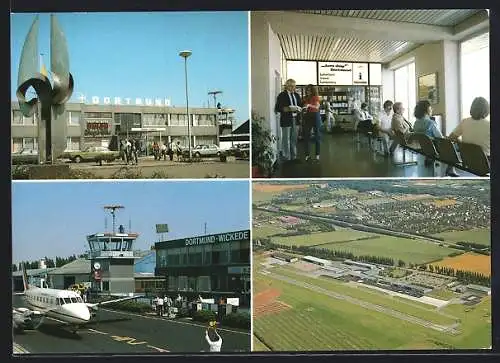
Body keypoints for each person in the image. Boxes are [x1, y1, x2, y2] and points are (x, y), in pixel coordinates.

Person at [413, 100, 458, 176]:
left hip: (424, 147)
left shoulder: (416, 123)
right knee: (453, 146)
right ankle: (451, 169)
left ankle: (431, 158)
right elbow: (440, 138)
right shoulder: (430, 123)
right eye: (430, 108)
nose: (432, 109)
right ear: (426, 110)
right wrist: (448, 138)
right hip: (434, 147)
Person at [274, 78, 303, 162]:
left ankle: (294, 156)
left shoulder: (297, 95)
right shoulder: (282, 95)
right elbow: (278, 108)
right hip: (286, 119)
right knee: (286, 139)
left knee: (294, 139)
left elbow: (300, 105)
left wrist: (300, 108)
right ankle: (287, 157)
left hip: (295, 119)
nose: (293, 88)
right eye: (291, 86)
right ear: (287, 86)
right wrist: (289, 108)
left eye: (294, 86)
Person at [301, 84, 322, 161]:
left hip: (315, 116)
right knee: (306, 136)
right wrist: (303, 108)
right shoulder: (305, 98)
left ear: (312, 91)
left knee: (317, 136)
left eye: (309, 90)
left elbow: (317, 107)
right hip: (307, 116)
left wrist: (309, 105)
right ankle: (307, 155)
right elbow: (304, 107)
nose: (308, 91)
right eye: (307, 90)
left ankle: (317, 154)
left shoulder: (316, 97)